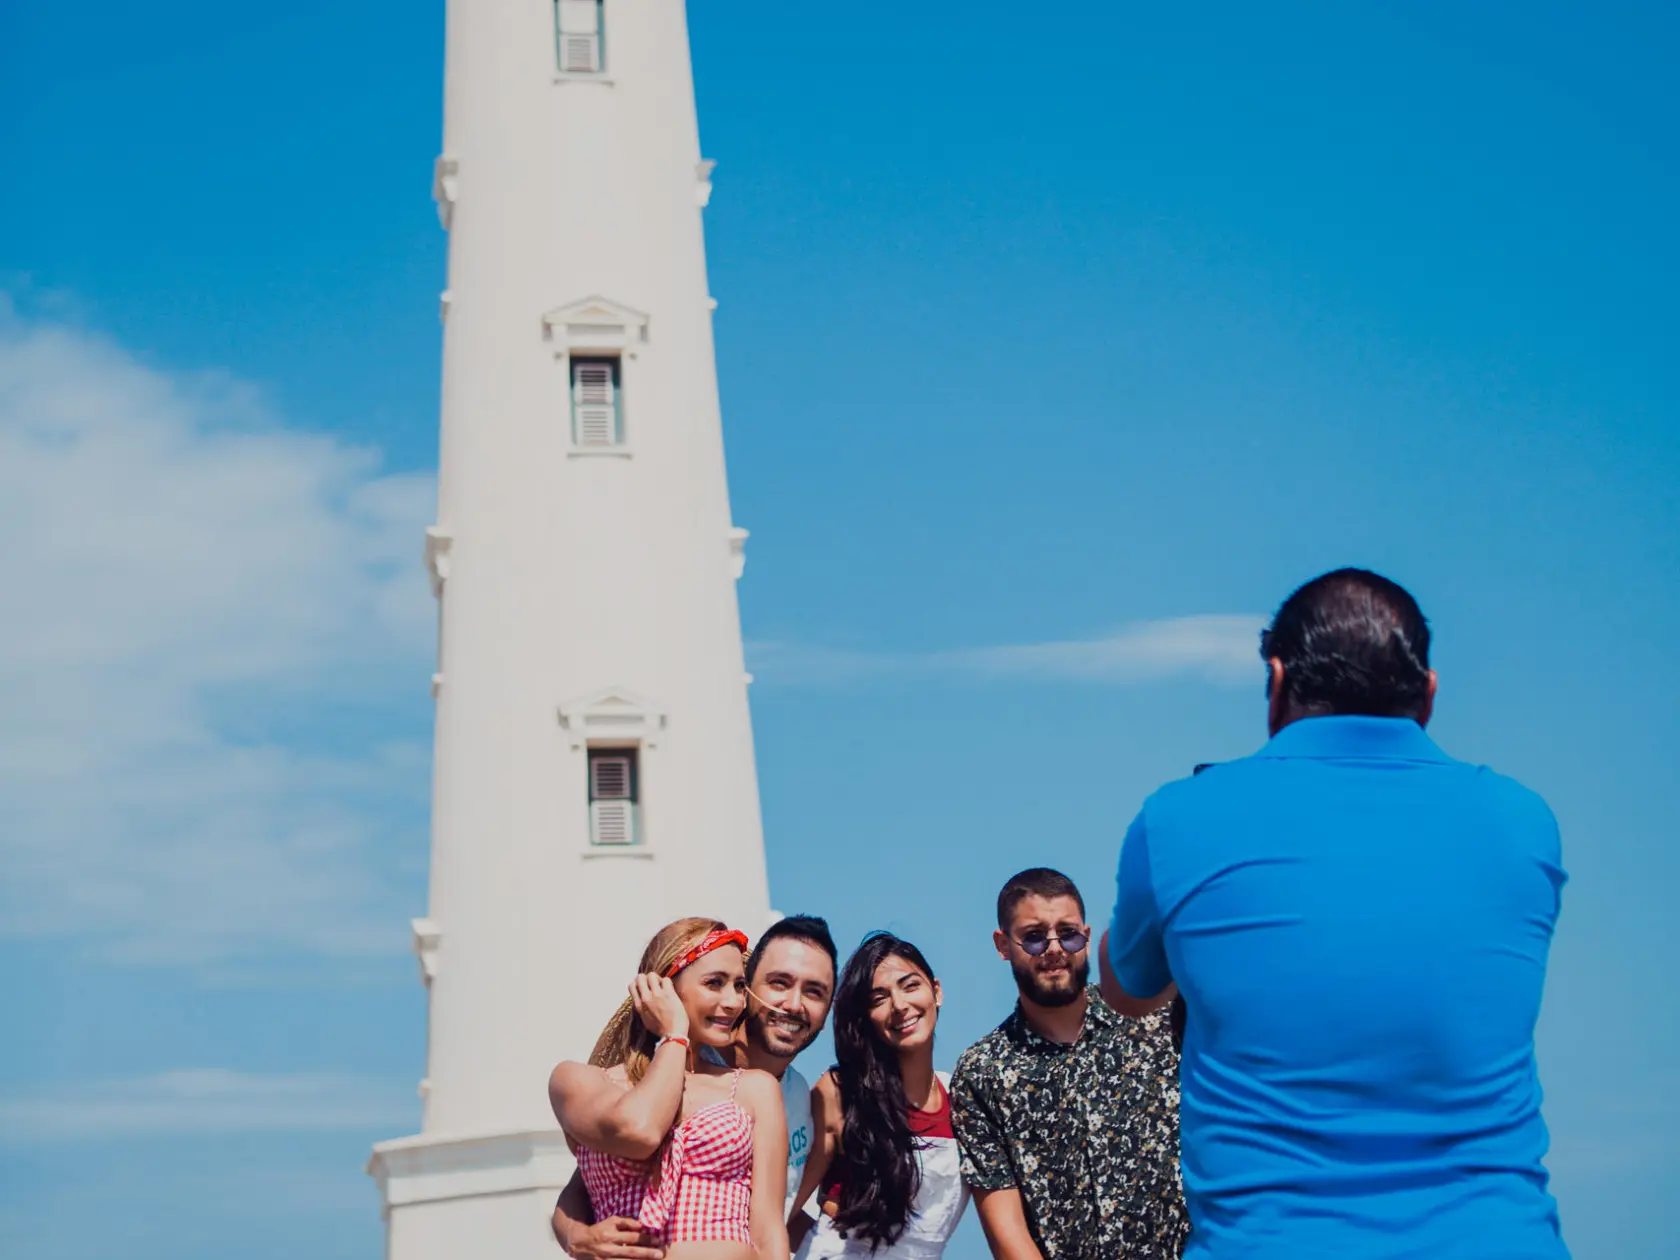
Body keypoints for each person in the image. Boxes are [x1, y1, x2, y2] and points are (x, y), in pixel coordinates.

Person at [1101, 568, 1570, 1259]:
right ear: (1429, 694)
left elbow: (1127, 990)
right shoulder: (1525, 825)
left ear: (1278, 680)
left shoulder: (1177, 820)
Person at [553, 916, 840, 1260]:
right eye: (715, 983)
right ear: (661, 988)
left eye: (737, 985)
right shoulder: (582, 1080)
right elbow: (636, 1135)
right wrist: (675, 1032)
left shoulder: (762, 1090)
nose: (733, 1001)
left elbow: (769, 1230)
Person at [949, 869, 1186, 1260]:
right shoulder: (982, 1073)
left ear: (1087, 937)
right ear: (1003, 944)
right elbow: (1008, 1234)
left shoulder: (1156, 1018)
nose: (1055, 948)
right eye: (1035, 936)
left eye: (1069, 933)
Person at [793, 933, 970, 1260]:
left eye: (910, 985)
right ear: (866, 1018)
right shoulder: (840, 1091)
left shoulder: (965, 1099)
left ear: (937, 991)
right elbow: (777, 1212)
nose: (900, 1005)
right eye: (879, 998)